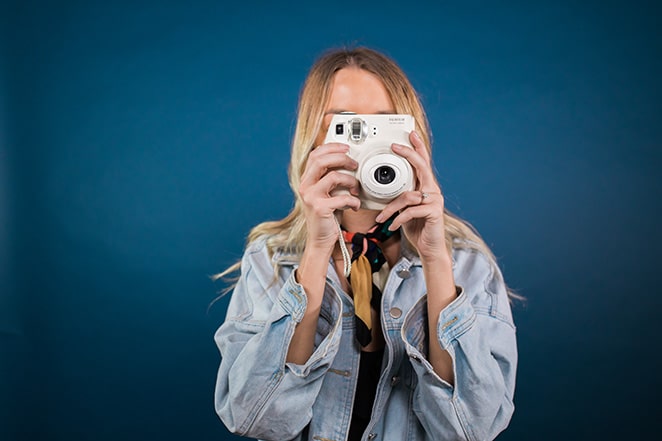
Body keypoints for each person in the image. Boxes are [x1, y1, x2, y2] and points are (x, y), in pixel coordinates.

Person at [214, 46, 518, 441]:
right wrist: (316, 251)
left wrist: (437, 261)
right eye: (346, 125)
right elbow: (254, 418)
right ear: (313, 139)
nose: (368, 146)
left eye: (382, 125)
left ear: (413, 138)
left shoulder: (467, 265)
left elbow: (470, 430)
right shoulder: (270, 259)